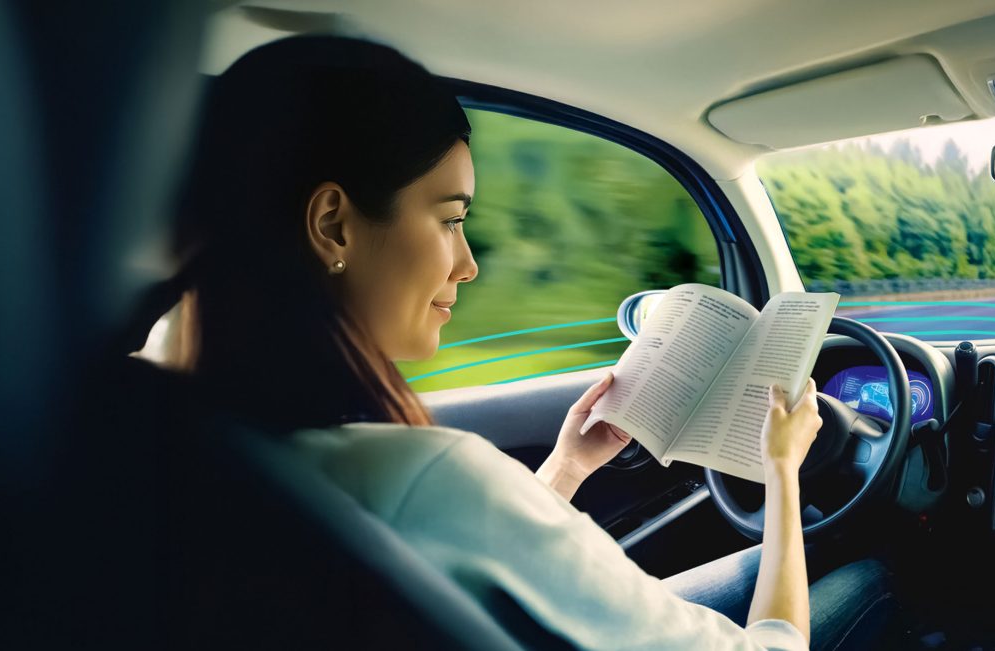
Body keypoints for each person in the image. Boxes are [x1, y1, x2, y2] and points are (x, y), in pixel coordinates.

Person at [163, 36, 885, 650]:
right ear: (333, 225)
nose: (468, 262)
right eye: (449, 218)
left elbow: (451, 559)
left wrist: (566, 468)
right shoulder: (418, 477)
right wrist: (783, 470)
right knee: (881, 578)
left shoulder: (183, 443)